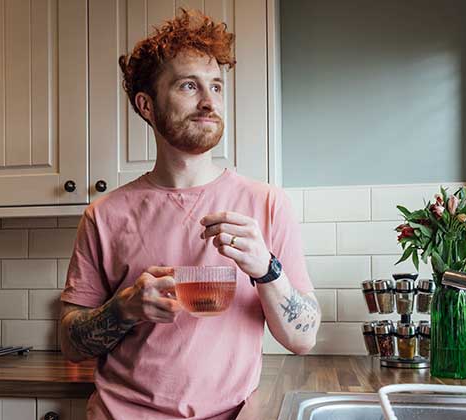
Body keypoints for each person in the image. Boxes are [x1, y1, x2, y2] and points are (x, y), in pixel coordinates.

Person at [58, 9, 320, 420]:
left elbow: (303, 340)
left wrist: (266, 268)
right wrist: (122, 309)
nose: (209, 101)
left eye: (216, 86)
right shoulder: (104, 214)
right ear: (146, 105)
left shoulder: (268, 205)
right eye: (188, 85)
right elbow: (70, 343)